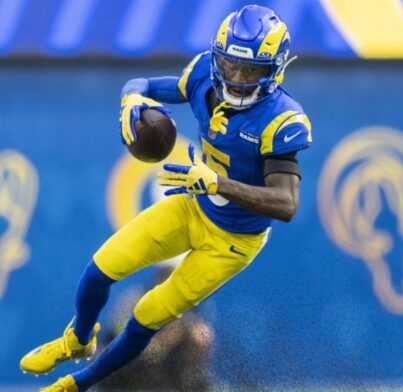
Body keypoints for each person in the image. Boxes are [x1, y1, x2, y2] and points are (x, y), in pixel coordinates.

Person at [19, 5, 312, 391]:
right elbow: (142, 84)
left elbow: (286, 203)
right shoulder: (204, 76)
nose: (237, 77)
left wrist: (219, 184)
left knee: (148, 315)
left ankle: (78, 384)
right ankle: (78, 338)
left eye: (251, 70)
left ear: (274, 70)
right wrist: (130, 102)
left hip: (233, 242)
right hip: (193, 206)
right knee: (100, 269)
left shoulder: (281, 119)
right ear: (218, 57)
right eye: (230, 65)